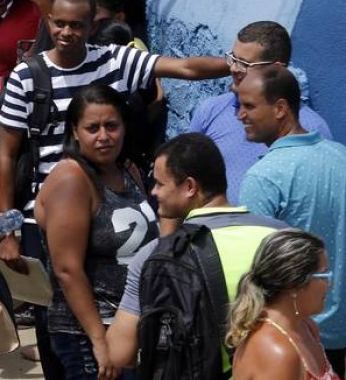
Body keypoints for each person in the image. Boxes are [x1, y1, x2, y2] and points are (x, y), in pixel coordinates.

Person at [0, 0, 230, 380]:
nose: (66, 33)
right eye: (59, 23)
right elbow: (6, 155)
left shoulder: (115, 60)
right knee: (59, 319)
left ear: (92, 26)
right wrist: (7, 230)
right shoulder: (27, 76)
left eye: (76, 25)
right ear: (48, 21)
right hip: (54, 215)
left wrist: (238, 65)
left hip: (113, 199)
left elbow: (185, 68)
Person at [105, 133, 288, 372]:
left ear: (190, 187)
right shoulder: (283, 237)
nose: (153, 192)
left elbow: (119, 353)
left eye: (160, 183)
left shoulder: (156, 256)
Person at [35, 84, 158, 380]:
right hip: (88, 333)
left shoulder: (127, 170)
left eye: (111, 126)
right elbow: (67, 269)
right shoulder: (70, 178)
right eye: (92, 128)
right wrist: (100, 341)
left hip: (129, 325)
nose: (104, 136)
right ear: (75, 131)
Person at [238, 66, 346, 374]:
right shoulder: (341, 156)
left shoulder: (264, 177)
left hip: (295, 336)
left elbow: (255, 268)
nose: (240, 115)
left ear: (281, 108)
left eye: (248, 106)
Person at [187, 21, 332, 204]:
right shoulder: (211, 110)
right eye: (233, 58)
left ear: (277, 68)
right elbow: (182, 178)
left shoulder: (312, 128)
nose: (233, 68)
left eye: (245, 63)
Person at [227, 230, 340, 380]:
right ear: (293, 284)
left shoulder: (307, 327)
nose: (329, 285)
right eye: (324, 276)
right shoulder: (276, 353)